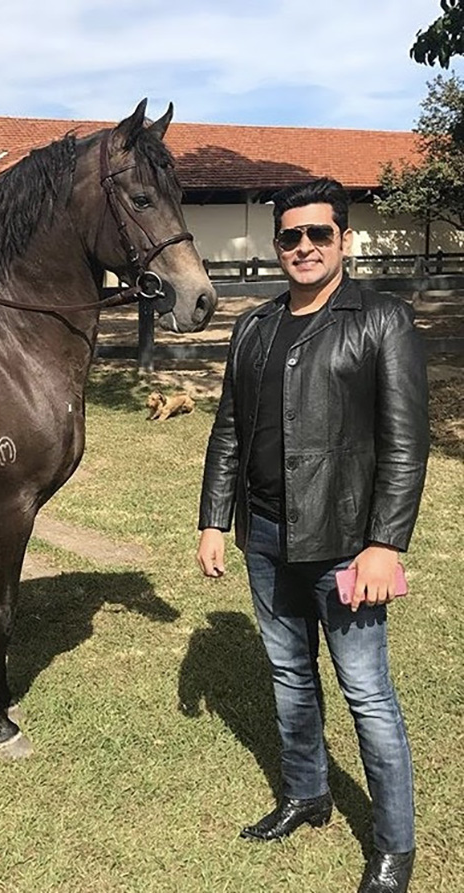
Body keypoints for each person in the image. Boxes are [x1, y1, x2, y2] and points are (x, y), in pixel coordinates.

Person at [196, 178, 429, 893]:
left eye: (318, 233)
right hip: (265, 536)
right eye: (291, 236)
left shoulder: (382, 319)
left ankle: (393, 847)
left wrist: (385, 544)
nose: (304, 246)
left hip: (347, 544)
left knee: (367, 692)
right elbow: (229, 429)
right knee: (289, 674)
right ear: (278, 245)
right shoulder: (254, 326)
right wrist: (213, 520)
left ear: (344, 240)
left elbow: (405, 443)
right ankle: (307, 793)